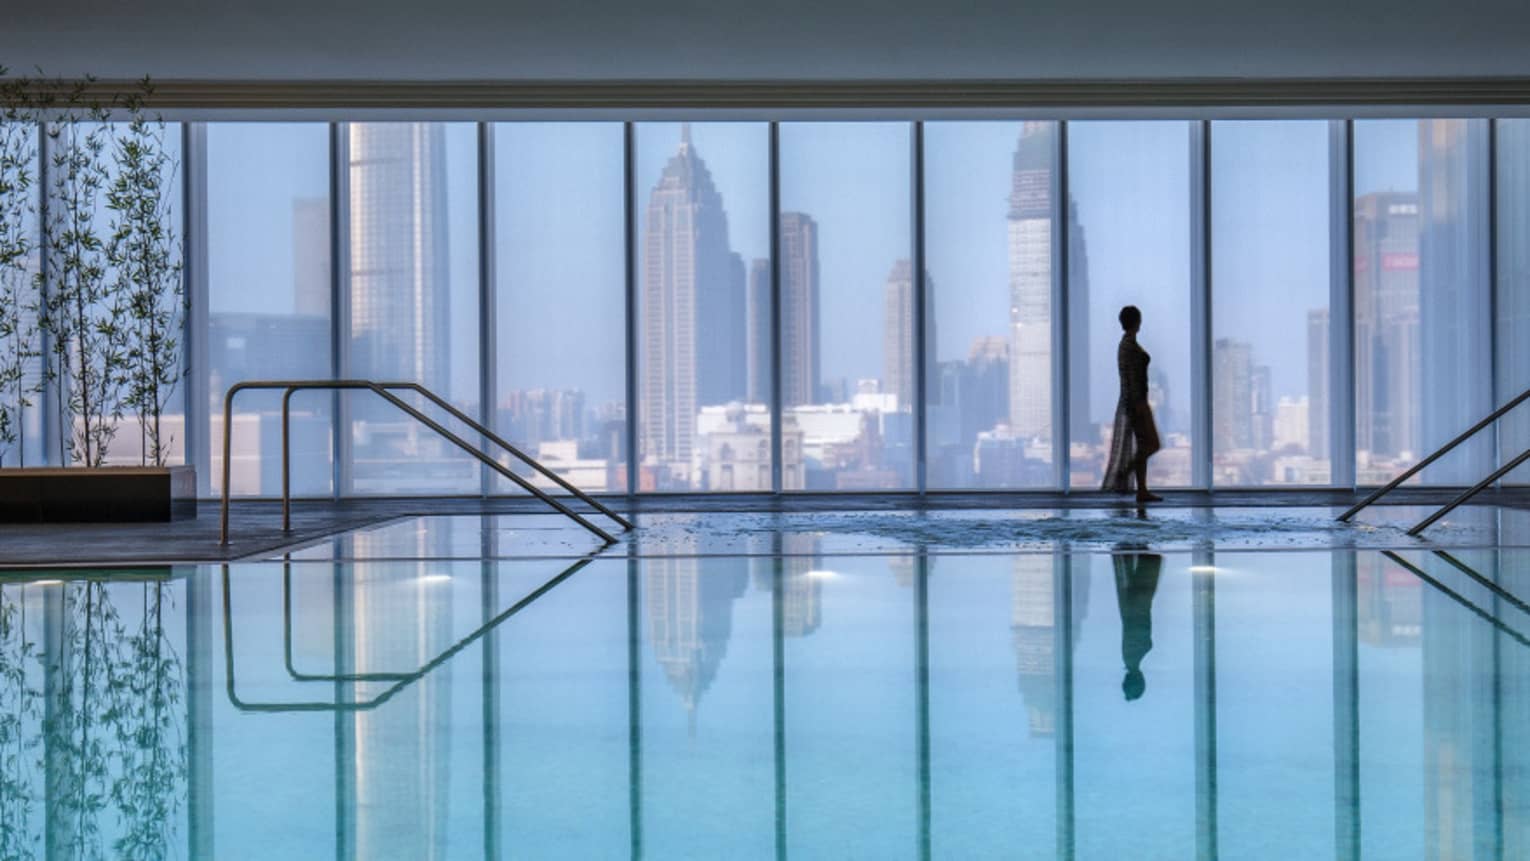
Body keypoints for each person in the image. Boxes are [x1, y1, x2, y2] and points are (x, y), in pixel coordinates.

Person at [1101, 305, 1162, 503]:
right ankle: (1124, 472)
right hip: (1137, 402)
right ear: (1137, 321)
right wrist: (1138, 404)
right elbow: (1131, 378)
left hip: (1135, 401)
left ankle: (1142, 490)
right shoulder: (1128, 346)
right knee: (1152, 444)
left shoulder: (1126, 344)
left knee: (1145, 445)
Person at [1113, 547, 1163, 702]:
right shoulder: (1131, 656)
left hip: (1138, 599)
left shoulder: (1134, 655)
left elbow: (1134, 622)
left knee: (1138, 549)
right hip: (1137, 600)